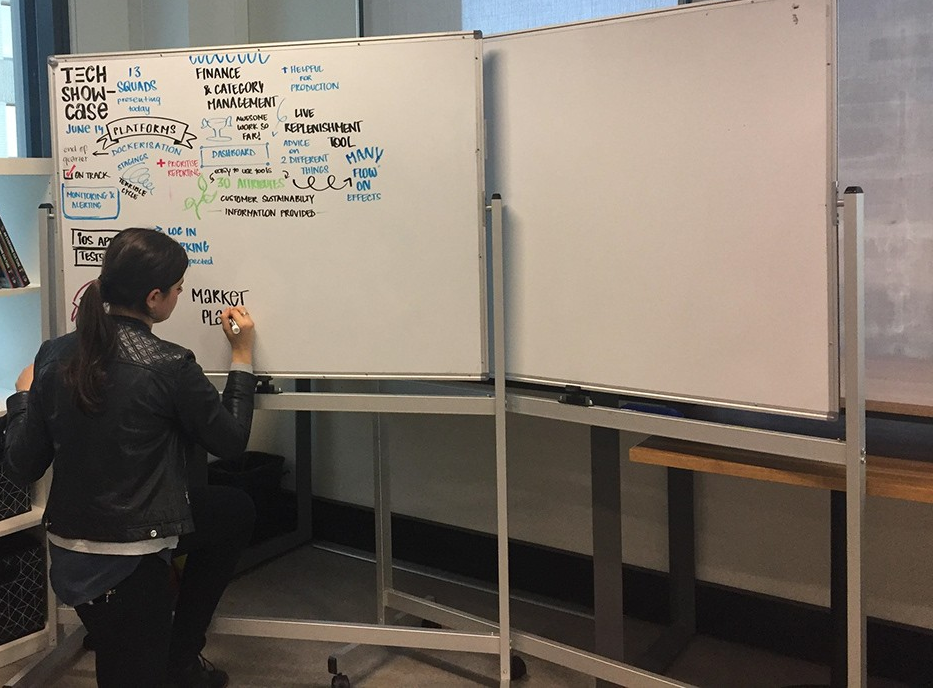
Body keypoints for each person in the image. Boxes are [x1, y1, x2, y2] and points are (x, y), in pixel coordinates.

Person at [3, 227, 257, 688]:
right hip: (129, 556)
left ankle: (179, 655)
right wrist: (241, 356)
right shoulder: (170, 364)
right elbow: (232, 440)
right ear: (155, 298)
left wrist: (22, 398)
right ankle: (171, 657)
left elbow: (22, 465)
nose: (181, 296)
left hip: (72, 544)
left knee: (231, 511)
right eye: (179, 290)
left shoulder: (53, 355)